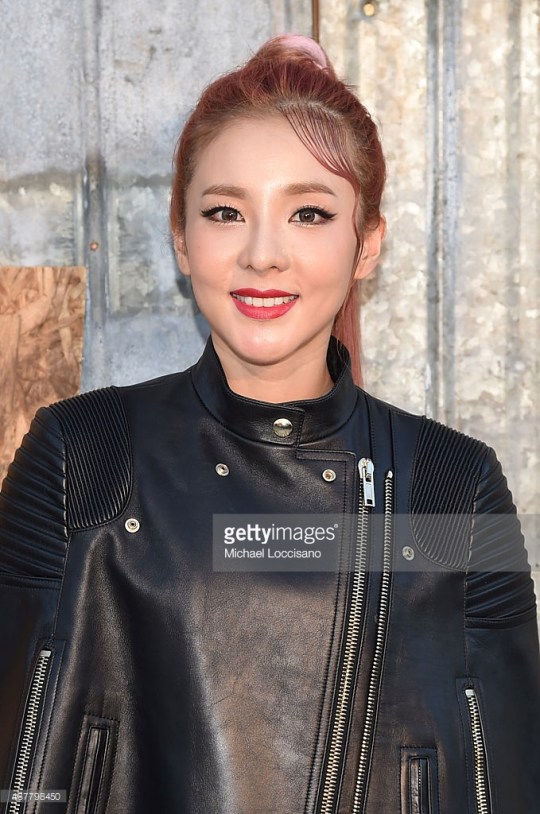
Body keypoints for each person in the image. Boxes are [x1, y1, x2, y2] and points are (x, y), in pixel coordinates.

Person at [0, 33, 538, 814]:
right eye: (225, 211)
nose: (263, 255)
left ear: (368, 247)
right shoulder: (78, 460)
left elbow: (508, 776)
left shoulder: (456, 487)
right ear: (181, 238)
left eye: (309, 213)